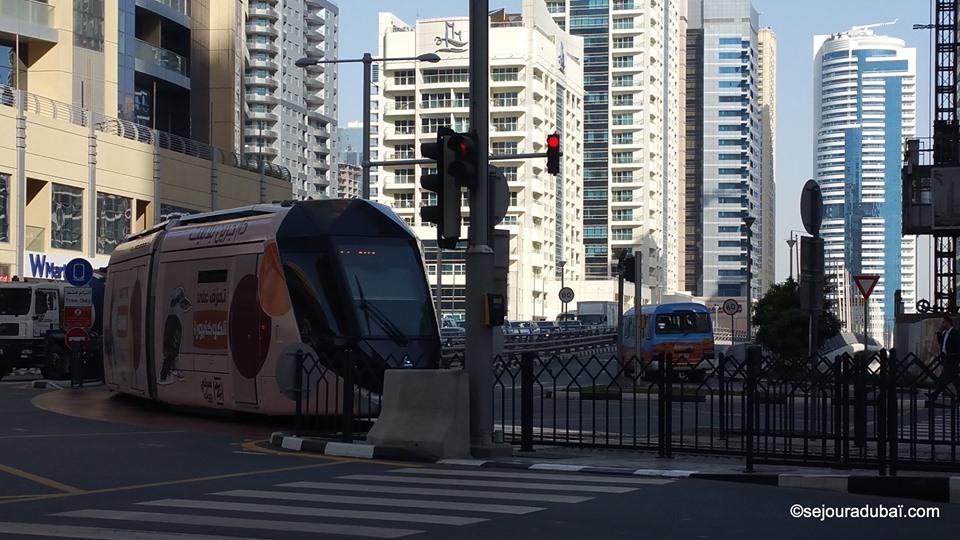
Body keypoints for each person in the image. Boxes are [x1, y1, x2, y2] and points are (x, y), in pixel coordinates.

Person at [928, 316, 960, 406]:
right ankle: (958, 397)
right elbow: (941, 343)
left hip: (952, 359)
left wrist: (958, 359)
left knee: (944, 379)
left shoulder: (955, 333)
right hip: (946, 358)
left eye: (944, 322)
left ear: (948, 322)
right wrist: (939, 333)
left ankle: (934, 395)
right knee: (955, 380)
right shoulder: (945, 333)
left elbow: (958, 347)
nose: (942, 324)